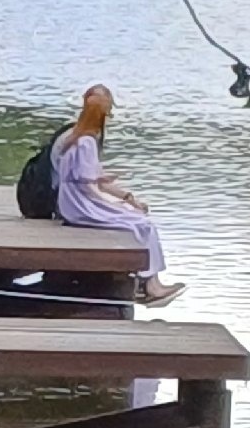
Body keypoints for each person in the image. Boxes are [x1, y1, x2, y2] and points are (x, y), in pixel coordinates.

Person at [50, 85, 183, 306]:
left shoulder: (73, 138)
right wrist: (113, 204)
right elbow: (88, 186)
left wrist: (125, 197)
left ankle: (146, 280)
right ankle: (151, 285)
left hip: (70, 201)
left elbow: (88, 177)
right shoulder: (87, 142)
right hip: (79, 204)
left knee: (135, 217)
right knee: (143, 224)